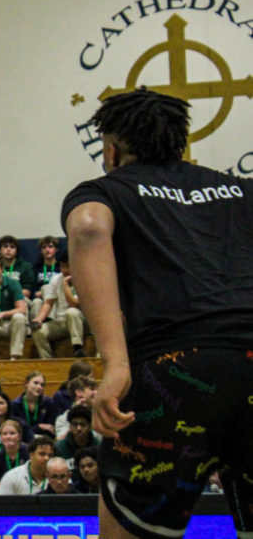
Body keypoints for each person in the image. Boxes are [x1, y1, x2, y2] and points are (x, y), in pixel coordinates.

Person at [63, 88, 253, 538]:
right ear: (180, 143)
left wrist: (116, 363)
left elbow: (88, 228)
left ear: (111, 150)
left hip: (173, 373)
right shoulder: (242, 191)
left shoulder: (104, 190)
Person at [30, 251, 87, 358]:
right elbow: (48, 302)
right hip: (61, 321)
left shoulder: (84, 278)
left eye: (68, 266)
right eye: (62, 266)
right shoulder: (56, 279)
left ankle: (78, 348)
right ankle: (48, 361)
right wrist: (38, 320)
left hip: (80, 321)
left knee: (71, 312)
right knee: (38, 332)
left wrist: (65, 285)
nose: (64, 270)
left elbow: (73, 303)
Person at [10, 370, 57, 438]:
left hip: (43, 440)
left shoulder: (49, 403)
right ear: (26, 384)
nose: (39, 387)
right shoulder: (16, 404)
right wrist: (39, 427)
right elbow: (17, 429)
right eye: (35, 383)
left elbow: (51, 429)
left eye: (42, 385)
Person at [0, 419, 30, 493]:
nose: (8, 437)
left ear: (19, 436)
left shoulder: (28, 453)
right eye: (5, 434)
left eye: (12, 433)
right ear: (1, 437)